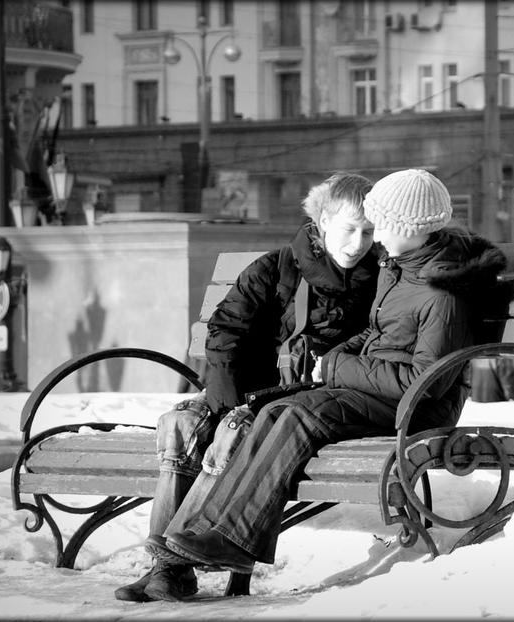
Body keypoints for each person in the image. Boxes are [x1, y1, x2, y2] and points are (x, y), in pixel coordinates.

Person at [141, 168, 508, 600]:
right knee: (277, 411)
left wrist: (333, 368)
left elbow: (423, 383)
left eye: (379, 227)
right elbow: (375, 334)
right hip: (380, 391)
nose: (372, 240)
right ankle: (211, 539)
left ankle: (230, 538)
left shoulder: (441, 292)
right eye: (363, 226)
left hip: (417, 406)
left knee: (299, 412)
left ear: (408, 228)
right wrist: (335, 360)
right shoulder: (402, 266)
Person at [115, 172, 380, 603]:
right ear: (323, 220)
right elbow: (224, 334)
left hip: (301, 401)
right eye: (350, 229)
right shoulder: (274, 268)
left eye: (369, 231)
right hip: (248, 389)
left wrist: (235, 415)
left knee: (233, 432)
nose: (359, 243)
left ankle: (171, 567)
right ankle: (169, 568)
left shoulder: (378, 281)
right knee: (180, 423)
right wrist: (224, 403)